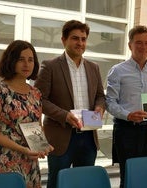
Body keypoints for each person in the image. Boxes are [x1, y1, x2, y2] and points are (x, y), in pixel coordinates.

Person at [34, 20, 106, 188]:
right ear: (63, 40)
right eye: (75, 38)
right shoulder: (50, 66)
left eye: (83, 39)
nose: (80, 43)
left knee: (84, 182)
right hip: (60, 136)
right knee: (57, 182)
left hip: (88, 137)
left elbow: (100, 96)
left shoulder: (93, 67)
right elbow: (38, 100)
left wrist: (99, 108)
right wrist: (64, 115)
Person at [0, 40, 53, 188]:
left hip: (30, 160)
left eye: (30, 60)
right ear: (11, 60)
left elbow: (37, 126)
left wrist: (42, 145)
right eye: (21, 59)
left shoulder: (35, 93)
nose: (26, 64)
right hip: (6, 160)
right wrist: (22, 149)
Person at [106, 25, 147, 188]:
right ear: (130, 45)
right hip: (126, 131)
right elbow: (109, 102)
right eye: (139, 42)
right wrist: (128, 115)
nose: (143, 47)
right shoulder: (117, 71)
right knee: (129, 177)